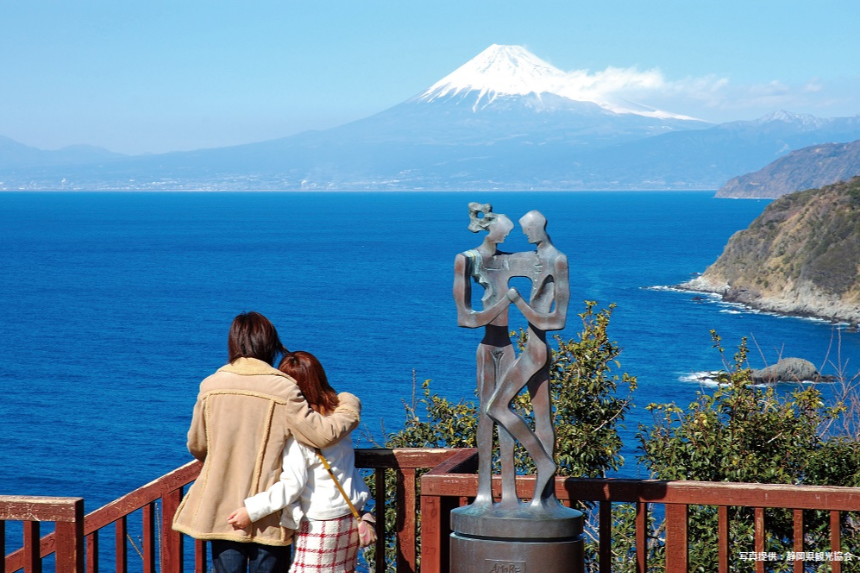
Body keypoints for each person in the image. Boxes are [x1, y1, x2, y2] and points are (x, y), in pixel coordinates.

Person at [172, 312, 362, 573]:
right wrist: (348, 406)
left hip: (221, 504)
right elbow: (321, 434)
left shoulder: (210, 386)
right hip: (268, 508)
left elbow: (197, 445)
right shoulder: (283, 388)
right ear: (269, 344)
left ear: (234, 343)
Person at [226, 351, 370, 573]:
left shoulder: (301, 435)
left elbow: (292, 485)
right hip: (350, 517)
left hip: (320, 522)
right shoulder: (337, 418)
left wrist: (251, 511)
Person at [488, 210, 570, 508]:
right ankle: (542, 498)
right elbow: (502, 257)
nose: (526, 235)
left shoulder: (557, 260)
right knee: (542, 419)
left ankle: (543, 462)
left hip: (535, 351)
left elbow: (555, 321)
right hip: (534, 349)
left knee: (496, 406)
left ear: (539, 227)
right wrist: (488, 233)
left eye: (527, 230)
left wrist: (517, 301)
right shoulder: (537, 257)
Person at [452, 202, 522, 507]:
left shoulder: (514, 261)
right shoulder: (466, 260)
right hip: (488, 348)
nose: (507, 237)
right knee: (486, 415)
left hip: (508, 347)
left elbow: (550, 265)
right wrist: (504, 302)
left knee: (507, 413)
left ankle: (509, 489)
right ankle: (483, 487)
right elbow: (467, 318)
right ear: (490, 230)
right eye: (504, 232)